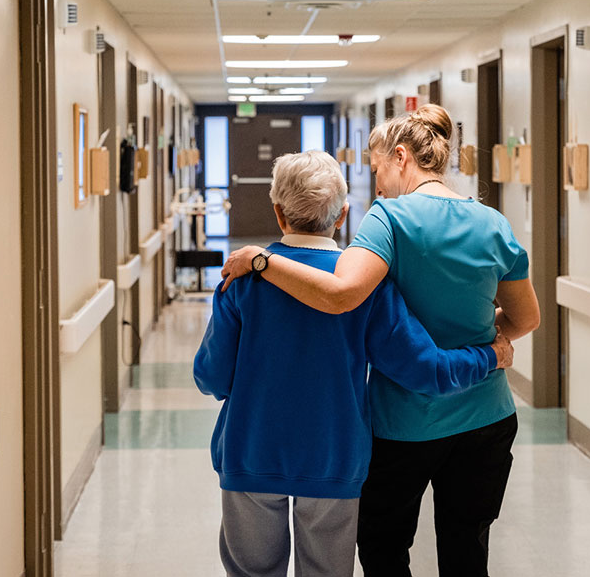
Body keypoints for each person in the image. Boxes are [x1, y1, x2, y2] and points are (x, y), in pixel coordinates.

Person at [220, 105, 541, 577]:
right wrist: (488, 351)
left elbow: (342, 293)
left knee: (384, 549)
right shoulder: (492, 222)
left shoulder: (388, 219)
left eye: (376, 170)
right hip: (485, 415)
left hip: (405, 423)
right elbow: (525, 317)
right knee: (467, 549)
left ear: (401, 156)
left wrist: (261, 261)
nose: (378, 184)